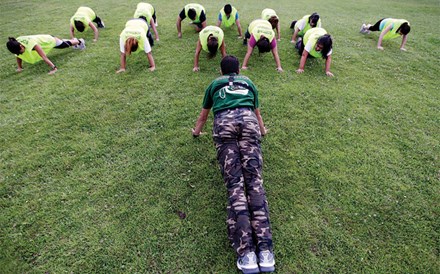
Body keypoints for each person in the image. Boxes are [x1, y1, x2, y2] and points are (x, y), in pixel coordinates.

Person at [192, 55, 275, 274]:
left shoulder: (214, 84)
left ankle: (246, 254)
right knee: (255, 183)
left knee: (235, 185)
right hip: (248, 124)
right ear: (238, 71)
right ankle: (265, 253)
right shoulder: (248, 82)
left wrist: (196, 132)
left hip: (224, 126)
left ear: (221, 72)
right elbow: (257, 113)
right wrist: (263, 131)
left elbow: (203, 117)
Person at [6, 35, 83, 75]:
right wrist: (20, 68)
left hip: (49, 40)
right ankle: (70, 41)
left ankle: (79, 41)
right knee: (62, 43)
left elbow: (43, 56)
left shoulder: (32, 44)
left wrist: (54, 68)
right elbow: (18, 56)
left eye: (20, 51)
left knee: (63, 45)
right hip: (43, 41)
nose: (21, 54)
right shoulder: (16, 42)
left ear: (21, 46)